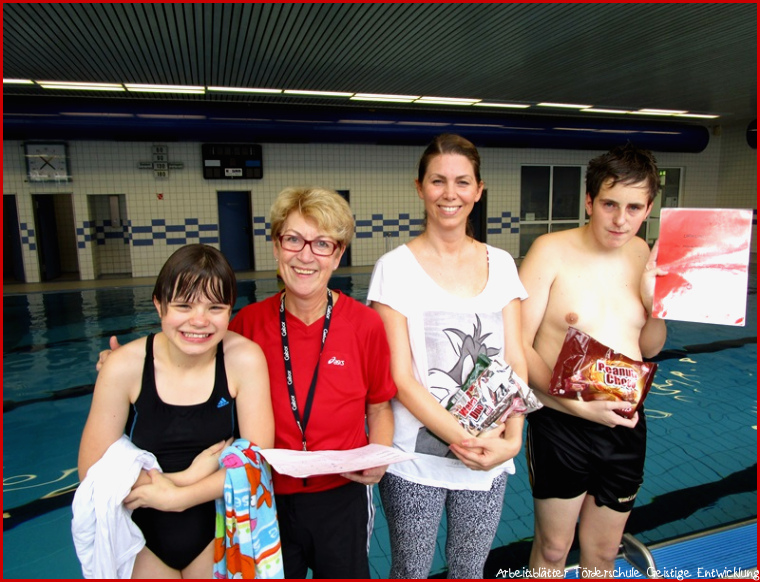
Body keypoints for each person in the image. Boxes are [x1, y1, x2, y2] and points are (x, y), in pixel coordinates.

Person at [368, 133, 528, 578]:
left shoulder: (502, 264)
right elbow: (399, 376)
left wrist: (512, 440)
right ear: (420, 188)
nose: (449, 194)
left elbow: (516, 358)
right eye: (438, 181)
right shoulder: (394, 268)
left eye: (462, 182)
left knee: (469, 570)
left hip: (489, 456)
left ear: (478, 191)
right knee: (411, 571)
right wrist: (463, 437)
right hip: (416, 462)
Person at [228, 186, 397, 579]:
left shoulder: (365, 325)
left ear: (337, 255)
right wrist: (128, 361)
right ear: (276, 246)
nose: (306, 256)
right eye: (293, 239)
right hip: (265, 496)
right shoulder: (246, 325)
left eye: (322, 244)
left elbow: (379, 406)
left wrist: (379, 455)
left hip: (342, 496)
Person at [79, 243, 274, 578]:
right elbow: (92, 472)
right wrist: (186, 477)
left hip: (215, 532)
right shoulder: (125, 366)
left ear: (231, 310)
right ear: (159, 306)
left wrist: (179, 496)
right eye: (183, 306)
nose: (199, 321)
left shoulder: (244, 360)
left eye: (215, 307)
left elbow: (259, 459)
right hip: (141, 539)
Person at [519, 143, 667, 578]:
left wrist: (656, 304)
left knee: (602, 553)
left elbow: (653, 347)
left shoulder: (645, 257)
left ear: (649, 208)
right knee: (552, 549)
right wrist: (576, 406)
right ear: (589, 201)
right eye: (609, 204)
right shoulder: (549, 251)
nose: (621, 219)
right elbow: (517, 347)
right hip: (561, 424)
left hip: (624, 422)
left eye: (634, 207)